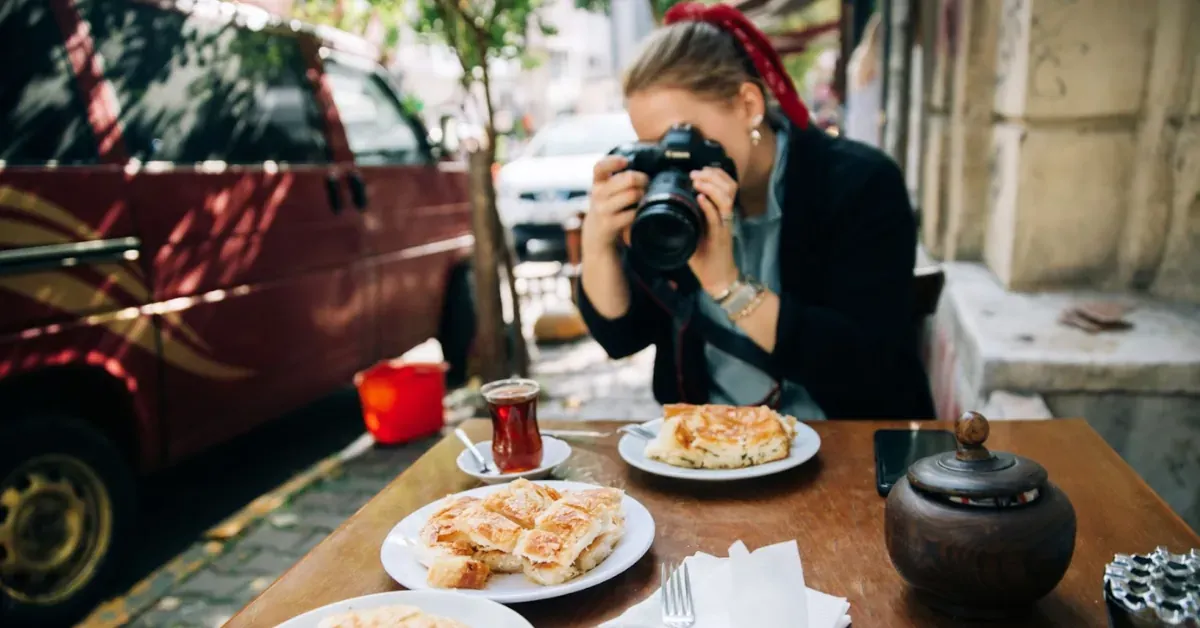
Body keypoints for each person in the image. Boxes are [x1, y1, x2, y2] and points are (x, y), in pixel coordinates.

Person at [577, 3, 934, 419]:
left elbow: (865, 367)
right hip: (707, 450)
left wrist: (727, 286)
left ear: (748, 104)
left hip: (841, 448)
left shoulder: (860, 184)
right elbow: (621, 338)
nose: (673, 159)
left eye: (680, 136)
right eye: (654, 146)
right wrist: (598, 243)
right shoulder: (675, 200)